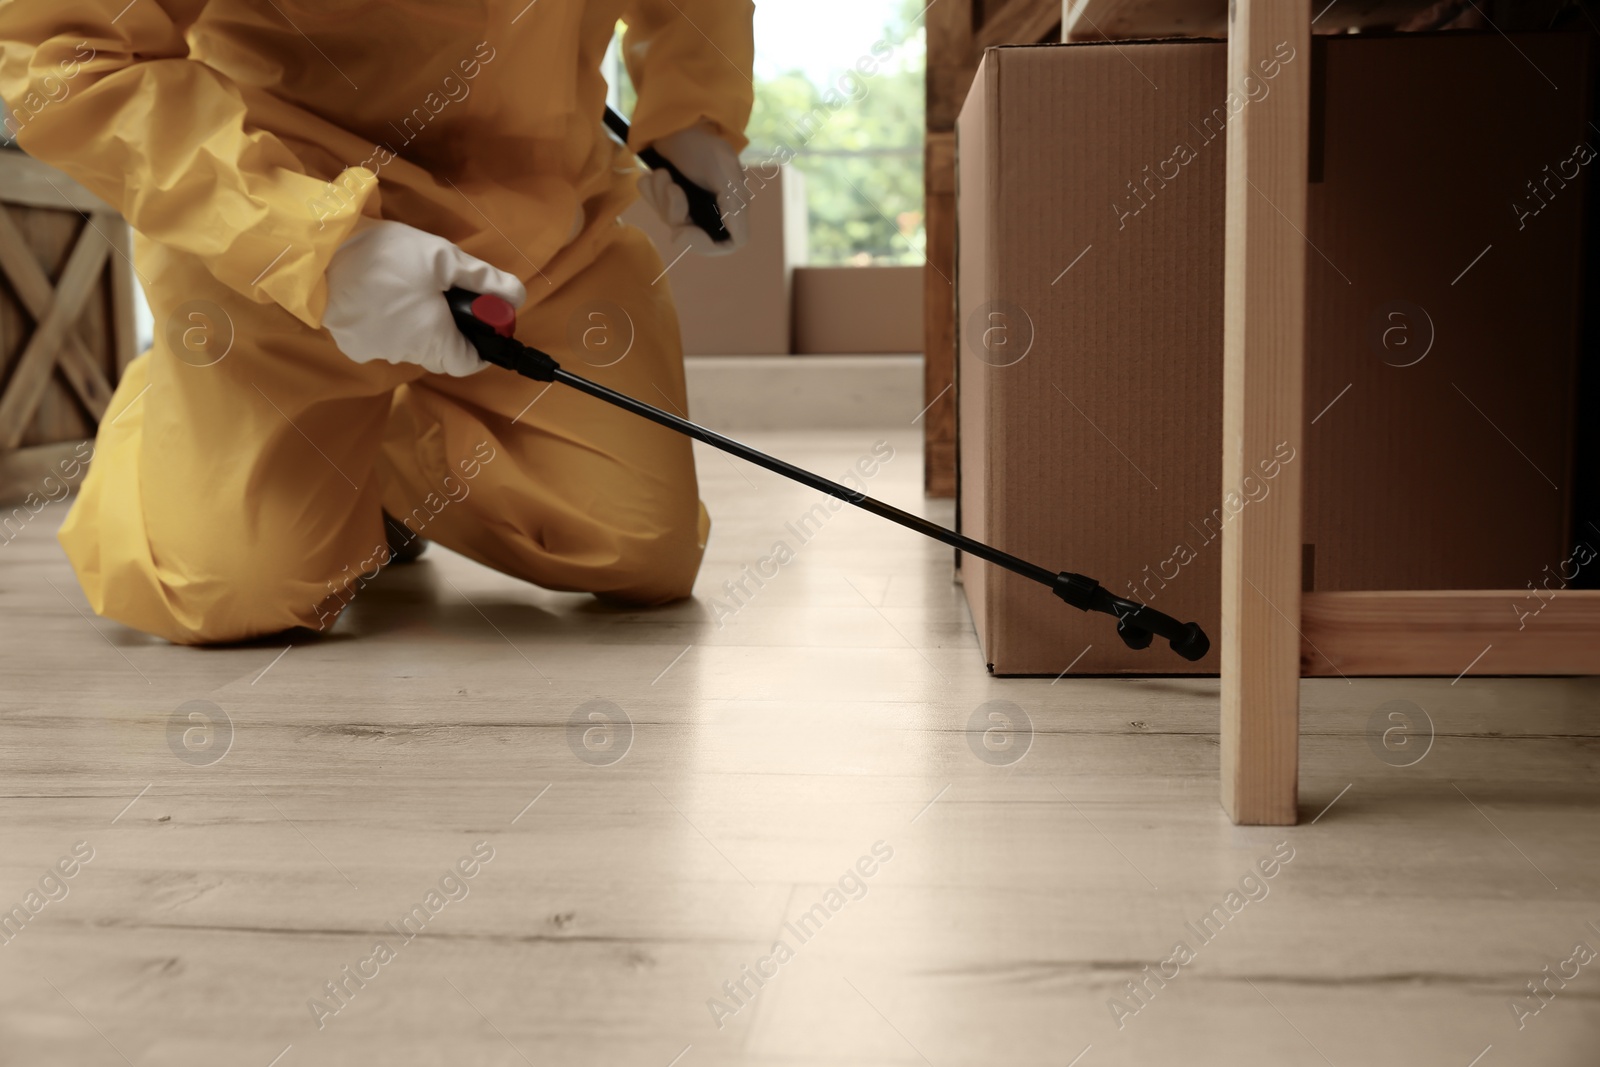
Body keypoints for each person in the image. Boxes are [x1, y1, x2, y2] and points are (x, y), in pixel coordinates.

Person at [0, 0, 753, 644]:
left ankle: (379, 459)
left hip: (544, 224)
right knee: (229, 586)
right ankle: (181, 416)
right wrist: (318, 248)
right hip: (275, 218)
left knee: (638, 550)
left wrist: (694, 109)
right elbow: (65, 53)